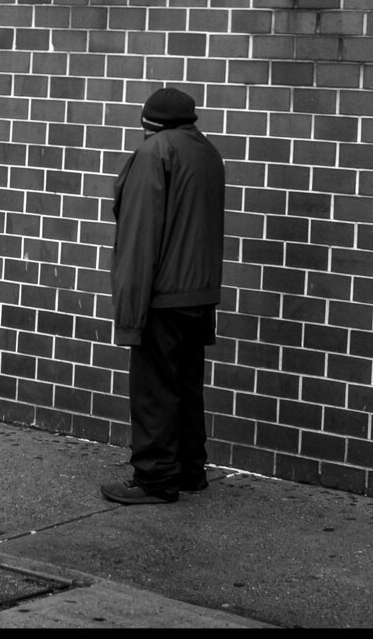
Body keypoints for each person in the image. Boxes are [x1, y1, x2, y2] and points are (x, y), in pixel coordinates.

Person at [101, 86, 226, 505]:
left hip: (163, 294)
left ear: (148, 123)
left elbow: (139, 238)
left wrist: (130, 315)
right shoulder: (207, 152)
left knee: (154, 388)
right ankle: (190, 470)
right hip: (199, 293)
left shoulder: (153, 154)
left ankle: (155, 478)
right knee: (187, 385)